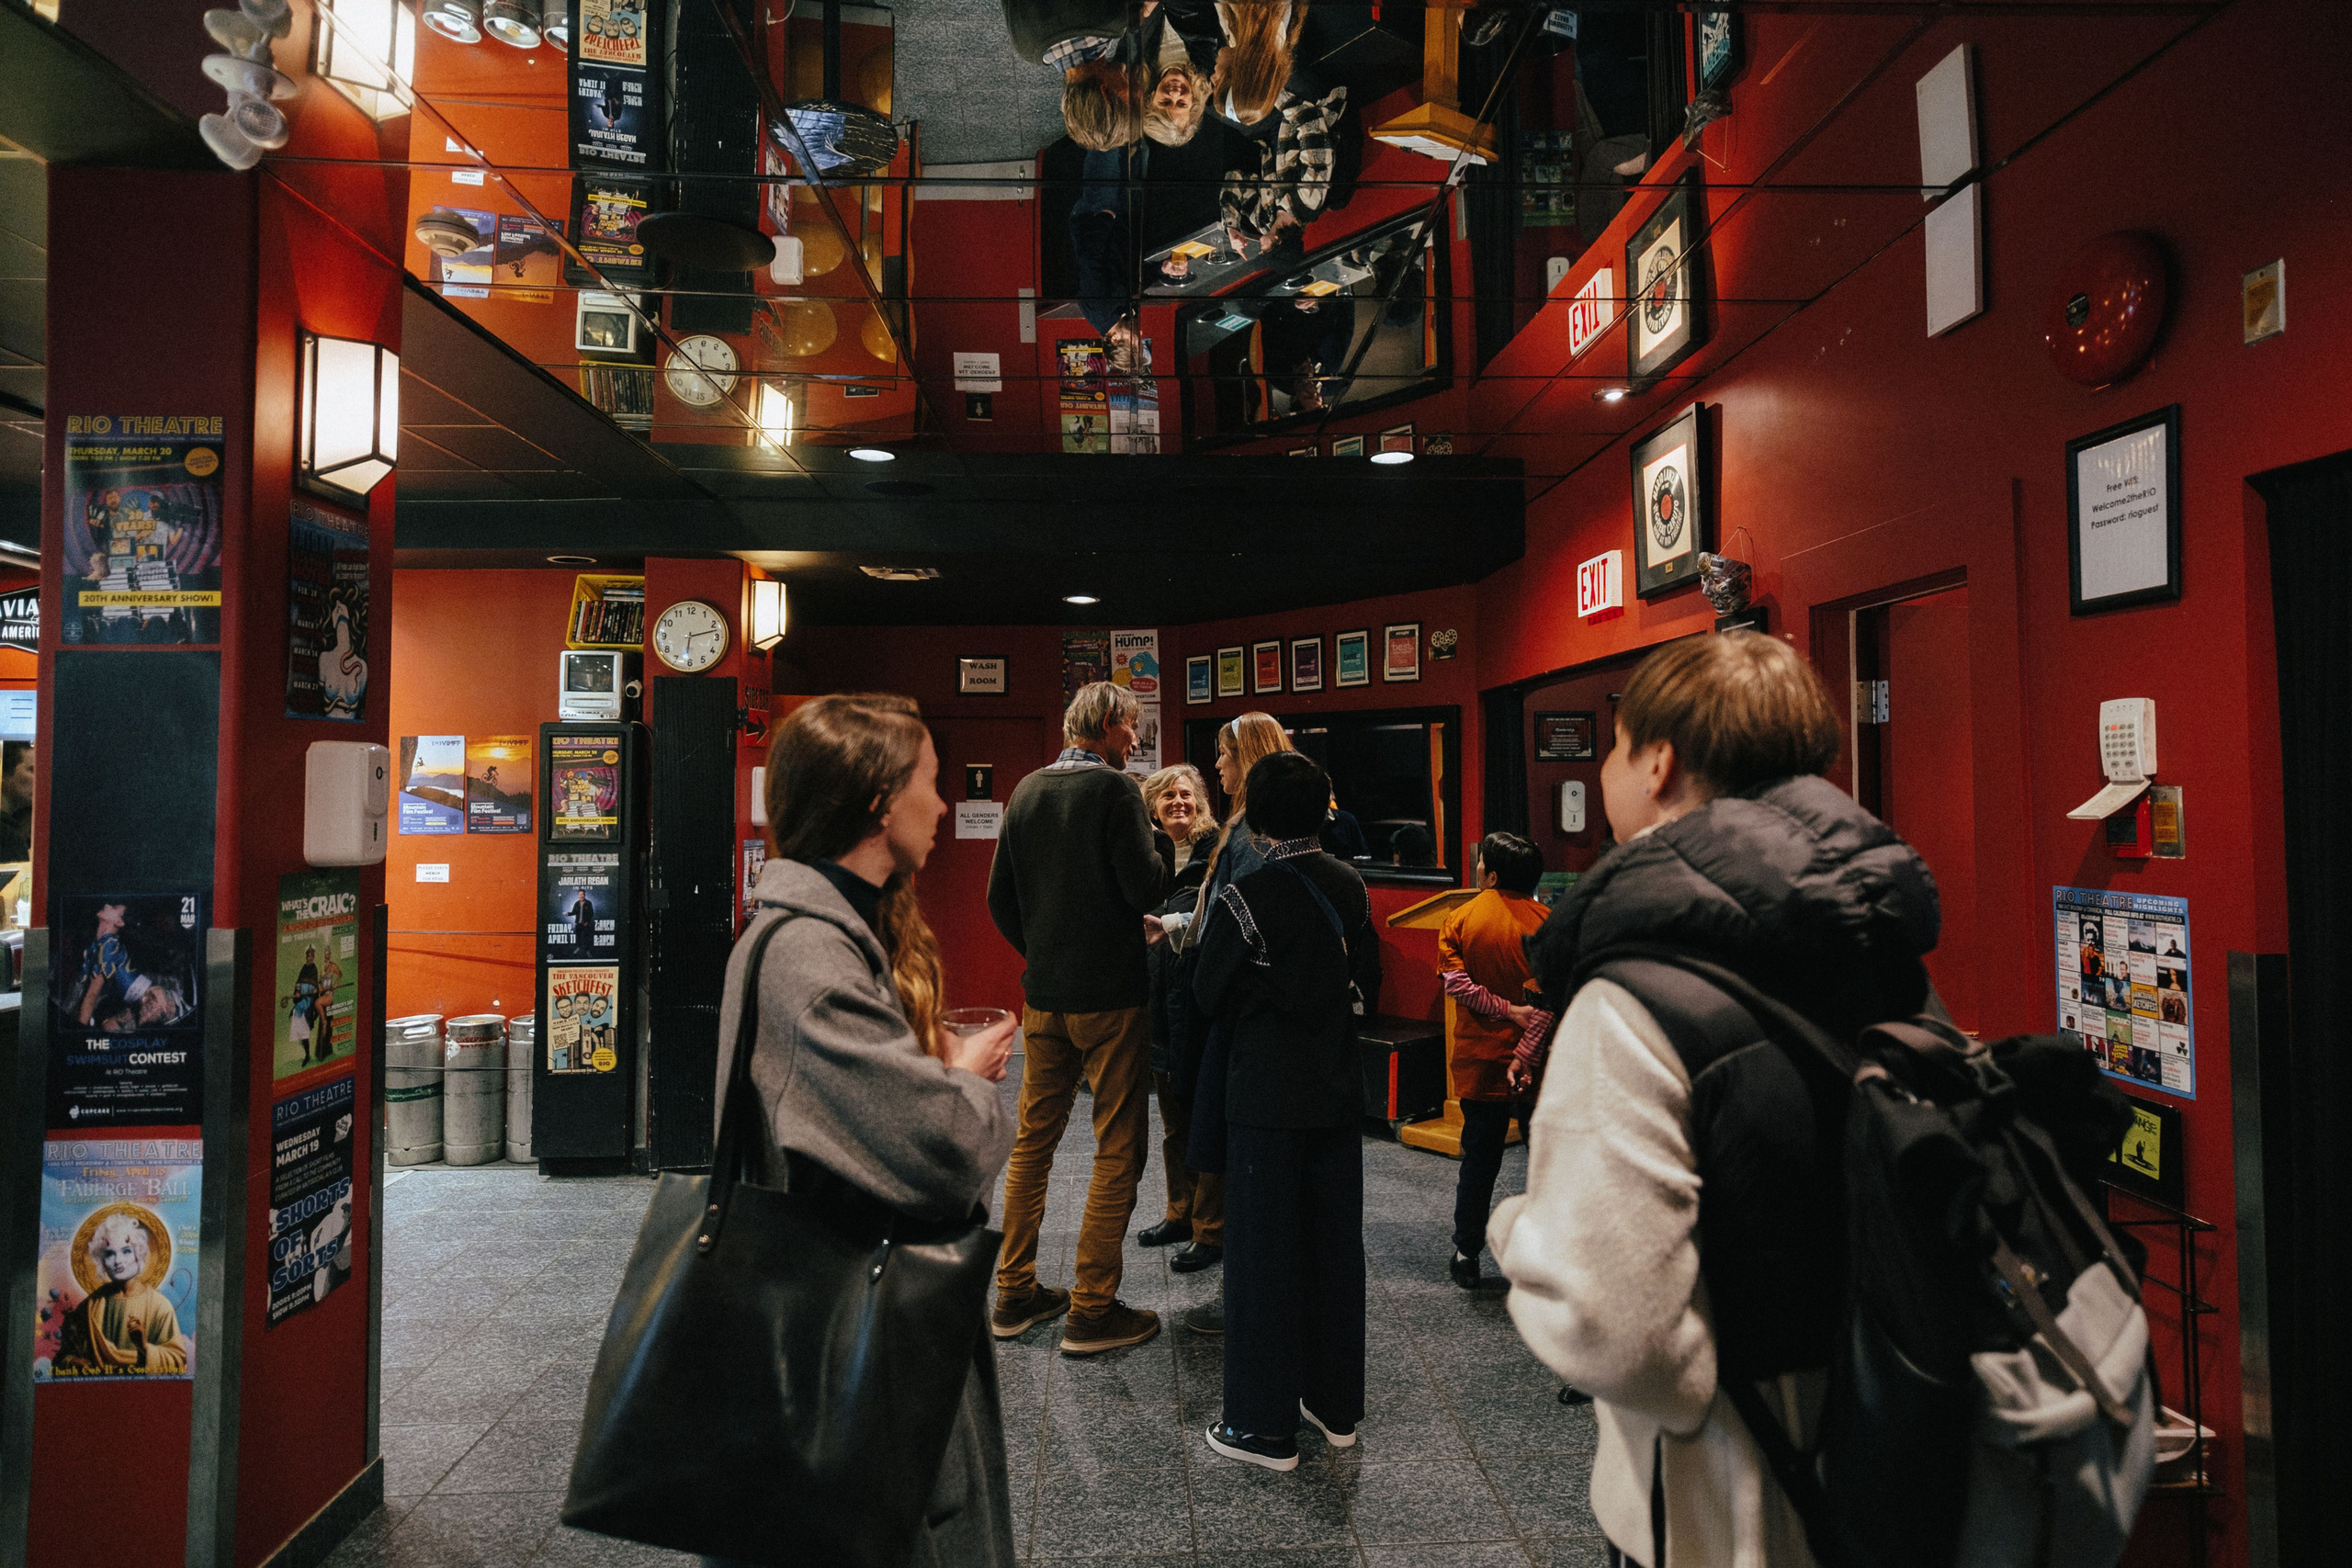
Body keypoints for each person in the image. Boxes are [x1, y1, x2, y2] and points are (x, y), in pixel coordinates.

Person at [1489, 632, 1939, 1568]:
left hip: (1724, 1504)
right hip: (1896, 1452)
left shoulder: (1632, 999)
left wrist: (1517, 1230)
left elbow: (1617, 1335)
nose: (1610, 768)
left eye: (1613, 747)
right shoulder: (1883, 955)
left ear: (1656, 764)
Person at [709, 693, 1021, 1568]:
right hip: (849, 1341)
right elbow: (942, 1149)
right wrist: (959, 1080)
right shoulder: (814, 963)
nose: (945, 801)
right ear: (880, 802)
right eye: (929, 780)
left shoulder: (808, 937)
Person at [1192, 750, 1380, 1471]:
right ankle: (1334, 1408)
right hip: (1337, 1091)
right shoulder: (1352, 884)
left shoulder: (1248, 894)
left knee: (1264, 1256)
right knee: (1335, 1248)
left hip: (1266, 1096)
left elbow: (1210, 992)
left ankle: (1263, 1427)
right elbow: (1361, 975)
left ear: (1258, 813)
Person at [987, 682, 1169, 1354]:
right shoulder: (1116, 792)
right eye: (1132, 729)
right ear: (1111, 721)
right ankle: (1092, 1309)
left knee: (1034, 1140)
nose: (1135, 741)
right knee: (1118, 1143)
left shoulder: (1027, 789)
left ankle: (1013, 1292)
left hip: (1045, 998)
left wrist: (1043, 952)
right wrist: (1161, 843)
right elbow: (1145, 884)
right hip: (1112, 1000)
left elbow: (998, 897)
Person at [1150, 712, 1295, 1328]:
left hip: (1227, 1008)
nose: (1216, 766)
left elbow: (1238, 926)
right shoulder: (1246, 830)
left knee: (1216, 1123)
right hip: (1197, 999)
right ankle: (1194, 1219)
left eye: (1223, 756)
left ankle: (1217, 1235)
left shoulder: (1245, 836)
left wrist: (1208, 983)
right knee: (1186, 1112)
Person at [1437, 831, 1550, 1289]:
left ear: (1492, 874)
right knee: (1545, 1159)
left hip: (1481, 1056)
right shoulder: (1549, 923)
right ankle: (1547, 1254)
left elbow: (1456, 985)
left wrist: (1504, 1010)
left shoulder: (1462, 918)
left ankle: (1467, 1252)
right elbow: (1552, 1000)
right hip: (1540, 1062)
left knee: (1479, 1157)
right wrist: (1525, 1031)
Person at [1137, 764, 1224, 1269]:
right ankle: (1180, 1213)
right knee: (1173, 1121)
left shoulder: (1217, 854)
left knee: (1205, 1119)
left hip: (1198, 1002)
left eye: (1186, 794)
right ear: (1152, 806)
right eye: (1167, 795)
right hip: (1157, 1004)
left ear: (1201, 804)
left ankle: (1211, 1230)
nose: (1178, 802)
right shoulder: (1145, 859)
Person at [52, 1207, 190, 1376]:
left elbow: (177, 1361)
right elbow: (62, 1359)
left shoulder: (159, 1306)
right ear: (101, 1261)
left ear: (138, 1254)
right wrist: (72, 1362)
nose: (118, 1261)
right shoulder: (89, 1307)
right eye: (109, 1254)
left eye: (126, 1251)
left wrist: (144, 1347)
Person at [0, 740, 33, 862]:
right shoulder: (8, 837)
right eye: (31, 770)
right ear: (4, 774)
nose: (40, 778)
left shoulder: (14, 830)